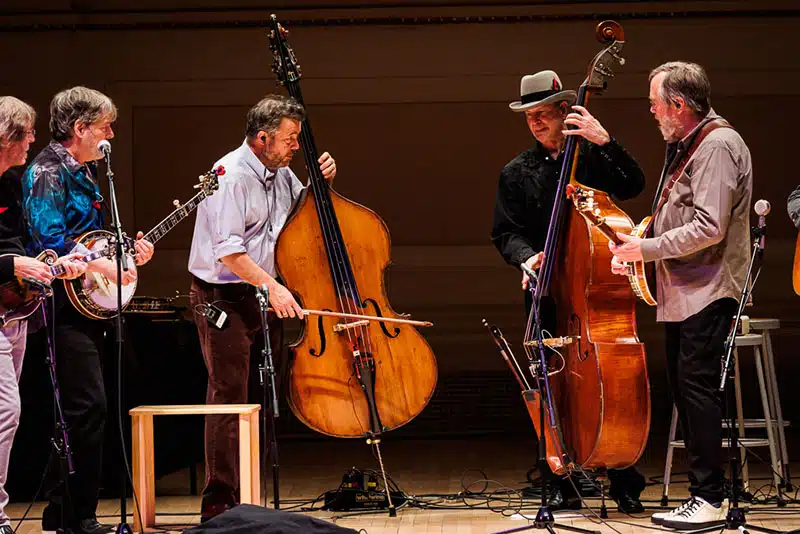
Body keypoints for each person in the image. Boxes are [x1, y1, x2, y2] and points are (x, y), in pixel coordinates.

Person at [491, 70, 647, 513]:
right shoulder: (515, 172)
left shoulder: (593, 159)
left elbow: (633, 184)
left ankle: (621, 474)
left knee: (606, 384)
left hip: (593, 292)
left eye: (543, 114)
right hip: (547, 293)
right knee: (550, 382)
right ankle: (558, 475)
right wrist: (528, 258)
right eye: (529, 116)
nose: (536, 123)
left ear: (566, 111)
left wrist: (604, 141)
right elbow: (505, 233)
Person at [610, 61, 752, 529]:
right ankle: (703, 495)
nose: (651, 111)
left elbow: (710, 227)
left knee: (698, 393)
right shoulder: (689, 144)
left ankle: (709, 498)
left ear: (678, 104)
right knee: (687, 393)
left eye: (655, 103)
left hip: (708, 290)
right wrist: (636, 250)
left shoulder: (716, 146)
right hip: (687, 290)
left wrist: (644, 250)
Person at [188, 93, 336, 522]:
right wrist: (275, 288)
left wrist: (321, 186)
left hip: (261, 292)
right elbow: (229, 252)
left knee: (263, 391)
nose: (296, 147)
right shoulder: (230, 175)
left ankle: (252, 493)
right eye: (290, 139)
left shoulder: (281, 172)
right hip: (222, 296)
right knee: (229, 394)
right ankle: (219, 500)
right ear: (262, 138)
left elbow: (299, 216)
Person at [22, 87, 154, 534]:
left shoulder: (86, 172)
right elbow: (48, 242)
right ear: (80, 129)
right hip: (61, 306)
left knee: (94, 408)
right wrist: (99, 262)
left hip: (91, 307)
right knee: (85, 408)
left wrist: (128, 252)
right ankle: (76, 516)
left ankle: (67, 510)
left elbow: (92, 235)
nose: (111, 134)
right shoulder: (46, 172)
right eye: (105, 126)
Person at [0, 96, 86, 534]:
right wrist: (14, 265)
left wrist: (51, 263)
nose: (34, 139)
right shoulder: (37, 176)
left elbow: (16, 240)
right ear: (8, 136)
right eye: (27, 132)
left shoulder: (11, 184)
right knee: (6, 412)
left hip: (12, 310)